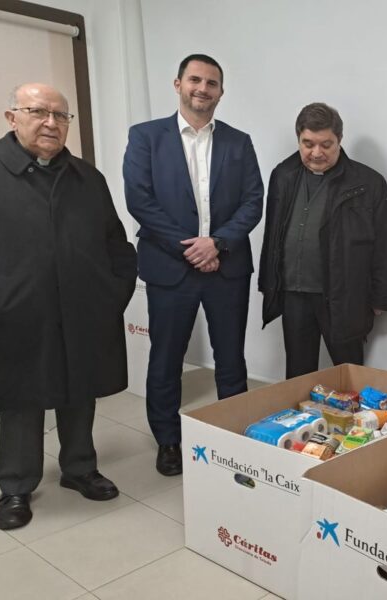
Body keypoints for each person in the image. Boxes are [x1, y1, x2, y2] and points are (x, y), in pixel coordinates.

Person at [0, 83, 137, 530]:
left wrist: (113, 294)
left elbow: (116, 243)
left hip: (84, 311)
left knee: (80, 392)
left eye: (60, 115)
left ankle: (80, 468)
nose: (51, 122)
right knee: (21, 401)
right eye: (38, 112)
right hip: (16, 315)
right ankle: (16, 485)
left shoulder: (87, 177)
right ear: (12, 117)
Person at [123, 54, 263, 476]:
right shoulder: (146, 137)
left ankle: (233, 437)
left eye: (212, 83)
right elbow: (139, 200)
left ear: (221, 92)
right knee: (166, 358)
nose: (203, 88)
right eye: (195, 80)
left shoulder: (239, 142)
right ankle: (168, 440)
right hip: (170, 267)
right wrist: (191, 248)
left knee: (231, 358)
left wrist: (216, 243)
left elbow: (253, 200)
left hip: (227, 266)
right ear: (178, 84)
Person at [259, 103, 387, 378]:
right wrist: (269, 283)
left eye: (326, 145)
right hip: (293, 294)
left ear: (339, 140)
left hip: (344, 295)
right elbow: (272, 233)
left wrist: (382, 296)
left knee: (349, 375)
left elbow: (386, 245)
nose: (316, 153)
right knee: (298, 376)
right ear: (298, 139)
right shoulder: (283, 175)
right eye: (308, 144)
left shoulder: (368, 182)